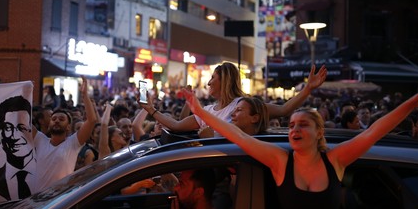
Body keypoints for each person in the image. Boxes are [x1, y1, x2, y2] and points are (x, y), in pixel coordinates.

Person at [182, 77, 418, 209]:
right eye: (291, 125)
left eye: (303, 124)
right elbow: (239, 136)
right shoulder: (280, 160)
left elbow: (375, 132)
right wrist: (198, 109)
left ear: (319, 131)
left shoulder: (335, 159)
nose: (295, 129)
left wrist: (413, 103)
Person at [139, 62, 327, 136]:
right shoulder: (209, 111)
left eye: (213, 78)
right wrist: (151, 110)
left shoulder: (244, 105)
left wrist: (308, 88)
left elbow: (284, 110)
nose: (208, 83)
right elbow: (176, 125)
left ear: (225, 81)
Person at [33, 79, 98, 190]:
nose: (57, 120)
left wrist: (84, 95)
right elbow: (23, 122)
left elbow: (91, 120)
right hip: (37, 201)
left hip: (60, 201)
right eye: (53, 119)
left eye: (62, 119)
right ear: (49, 125)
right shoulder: (40, 140)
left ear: (68, 127)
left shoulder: (73, 143)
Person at [0, 95, 36, 200]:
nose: (15, 136)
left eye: (22, 127)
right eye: (8, 128)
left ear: (32, 130)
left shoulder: (46, 169)